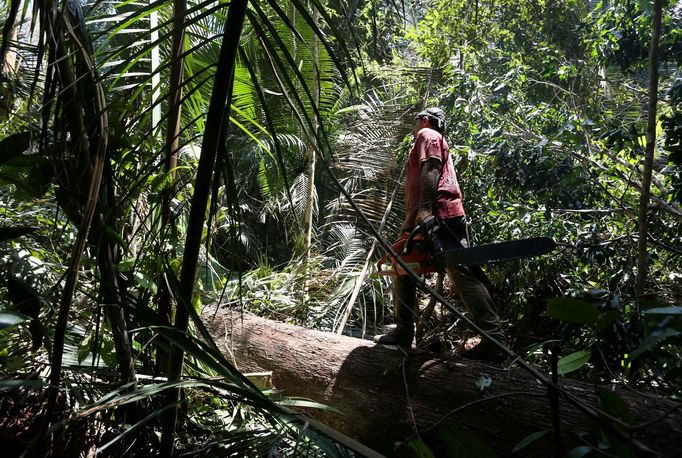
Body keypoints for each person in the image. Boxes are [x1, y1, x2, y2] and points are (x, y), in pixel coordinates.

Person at [374, 107, 506, 362]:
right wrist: (412, 219)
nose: (414, 126)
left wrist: (425, 210)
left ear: (425, 120)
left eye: (416, 121)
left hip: (441, 214)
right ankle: (403, 331)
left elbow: (432, 167)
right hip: (423, 216)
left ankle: (494, 339)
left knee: (461, 272)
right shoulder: (430, 136)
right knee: (403, 267)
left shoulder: (428, 134)